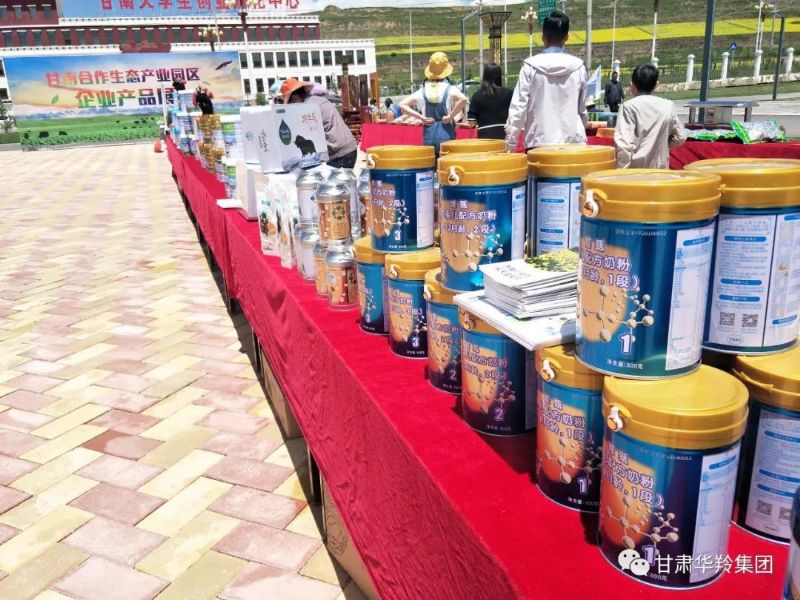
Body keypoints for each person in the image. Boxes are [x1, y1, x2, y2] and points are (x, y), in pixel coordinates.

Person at [505, 11, 587, 151]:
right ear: (566, 37)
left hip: (538, 142)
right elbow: (582, 109)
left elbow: (519, 108)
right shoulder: (578, 67)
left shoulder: (530, 66)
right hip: (572, 144)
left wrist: (510, 142)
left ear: (543, 37)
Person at [614, 64, 687, 169]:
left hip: (635, 171)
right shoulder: (668, 105)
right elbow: (681, 137)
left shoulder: (629, 107)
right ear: (656, 85)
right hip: (660, 171)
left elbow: (624, 144)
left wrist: (621, 171)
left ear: (632, 84)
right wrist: (662, 145)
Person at [399, 52, 467, 155]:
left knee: (430, 164)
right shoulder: (450, 89)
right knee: (446, 163)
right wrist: (450, 116)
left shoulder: (422, 90)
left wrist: (421, 117)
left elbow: (402, 104)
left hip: (428, 136)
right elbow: (463, 99)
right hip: (446, 135)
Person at [281, 78, 358, 169]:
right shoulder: (318, 100)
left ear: (294, 98)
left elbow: (307, 135)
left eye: (290, 103)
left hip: (339, 153)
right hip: (348, 148)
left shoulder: (307, 108)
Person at [467, 64, 513, 140]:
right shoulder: (509, 93)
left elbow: (472, 122)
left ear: (484, 76)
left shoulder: (477, 96)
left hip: (484, 135)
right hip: (504, 133)